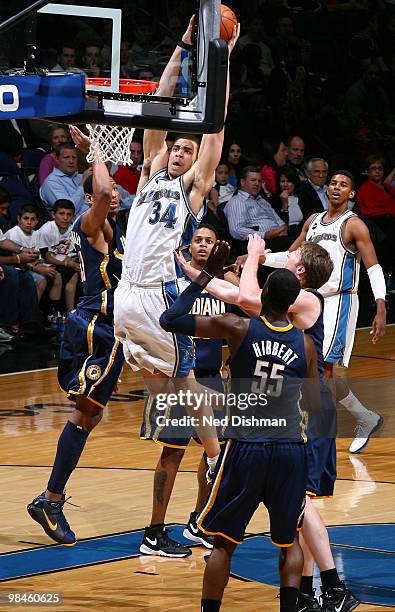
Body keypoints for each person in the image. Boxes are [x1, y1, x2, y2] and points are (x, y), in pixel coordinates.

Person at [113, 17, 240, 557]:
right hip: (125, 293)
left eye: (186, 150)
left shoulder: (191, 194)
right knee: (182, 384)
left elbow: (215, 128)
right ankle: (213, 459)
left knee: (181, 383)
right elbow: (160, 101)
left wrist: (224, 58)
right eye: (174, 147)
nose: (180, 152)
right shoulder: (146, 178)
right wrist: (186, 45)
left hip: (154, 299)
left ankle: (205, 467)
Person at [159, 246, 320, 612]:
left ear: (262, 296)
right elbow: (314, 405)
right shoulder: (306, 344)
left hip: (246, 446)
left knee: (223, 543)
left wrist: (200, 281)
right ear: (293, 301)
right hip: (289, 448)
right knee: (289, 540)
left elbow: (171, 320)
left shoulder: (239, 327)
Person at [27, 130, 125, 545]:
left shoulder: (115, 229)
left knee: (90, 415)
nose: (114, 193)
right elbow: (101, 188)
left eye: (118, 190)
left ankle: (50, 498)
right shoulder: (92, 226)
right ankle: (50, 499)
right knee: (85, 413)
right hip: (92, 327)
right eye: (108, 192)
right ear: (90, 200)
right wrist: (96, 151)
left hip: (112, 329)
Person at [263, 171, 386, 454]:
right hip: (311, 300)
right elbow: (291, 258)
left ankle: (317, 434)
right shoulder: (313, 221)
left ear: (351, 194)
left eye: (344, 184)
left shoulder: (353, 225)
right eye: (333, 183)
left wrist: (380, 305)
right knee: (311, 368)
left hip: (339, 301)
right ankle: (363, 417)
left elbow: (373, 267)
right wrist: (260, 258)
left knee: (323, 369)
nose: (336, 187)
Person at [140, 225, 238, 556]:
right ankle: (154, 531)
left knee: (216, 454)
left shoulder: (223, 286)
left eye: (209, 241)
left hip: (213, 379)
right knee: (172, 452)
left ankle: (199, 522)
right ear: (189, 246)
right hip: (180, 379)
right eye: (198, 240)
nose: (203, 245)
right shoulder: (177, 285)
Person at [3, 204, 61, 304]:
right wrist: (38, 268)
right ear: (18, 218)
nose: (29, 222)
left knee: (57, 276)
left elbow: (40, 256)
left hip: (35, 265)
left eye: (33, 219)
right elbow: (15, 260)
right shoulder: (13, 233)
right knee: (41, 281)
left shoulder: (37, 234)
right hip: (18, 268)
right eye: (26, 218)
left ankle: (54, 311)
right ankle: (31, 313)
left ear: (37, 221)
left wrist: (44, 267)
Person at [39, 199, 80, 316]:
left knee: (77, 273)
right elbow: (46, 257)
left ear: (73, 216)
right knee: (68, 272)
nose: (65, 218)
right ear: (53, 215)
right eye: (61, 214)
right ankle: (55, 312)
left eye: (69, 214)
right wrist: (69, 264)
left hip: (63, 261)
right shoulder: (47, 229)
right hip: (44, 263)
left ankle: (71, 313)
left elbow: (74, 253)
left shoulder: (74, 230)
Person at [39, 143, 90, 216]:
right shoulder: (51, 182)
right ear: (56, 159)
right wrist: (82, 184)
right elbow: (68, 212)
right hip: (73, 225)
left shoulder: (82, 177)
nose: (71, 161)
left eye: (74, 157)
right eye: (66, 157)